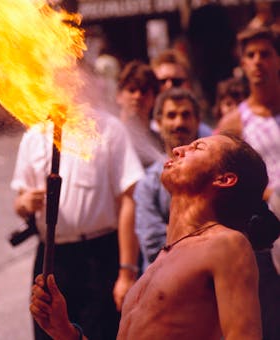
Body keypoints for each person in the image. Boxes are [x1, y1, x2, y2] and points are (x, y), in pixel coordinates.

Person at [31, 134, 280, 340]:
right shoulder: (160, 260)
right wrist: (64, 330)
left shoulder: (226, 244)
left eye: (197, 147)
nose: (179, 149)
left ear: (224, 179)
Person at [12, 107, 144, 339]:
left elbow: (127, 200)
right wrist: (25, 202)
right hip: (52, 256)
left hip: (99, 255)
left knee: (99, 331)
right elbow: (20, 200)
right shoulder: (34, 135)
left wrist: (127, 273)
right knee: (49, 329)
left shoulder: (107, 128)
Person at [216, 26, 280, 339]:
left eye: (265, 54)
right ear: (242, 64)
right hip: (265, 236)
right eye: (250, 55)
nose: (258, 62)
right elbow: (219, 177)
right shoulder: (234, 123)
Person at [134, 88, 200, 271]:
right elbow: (153, 244)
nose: (179, 123)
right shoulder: (148, 183)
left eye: (186, 115)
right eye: (171, 115)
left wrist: (173, 230)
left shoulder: (213, 174)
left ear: (198, 121)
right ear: (158, 122)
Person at [150, 49, 213, 136]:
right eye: (162, 81)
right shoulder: (144, 134)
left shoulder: (206, 134)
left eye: (176, 81)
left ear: (188, 85)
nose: (169, 86)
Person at [116, 60, 164, 168]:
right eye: (132, 90)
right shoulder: (107, 137)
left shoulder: (161, 143)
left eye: (144, 91)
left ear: (155, 98)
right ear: (118, 95)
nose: (137, 96)